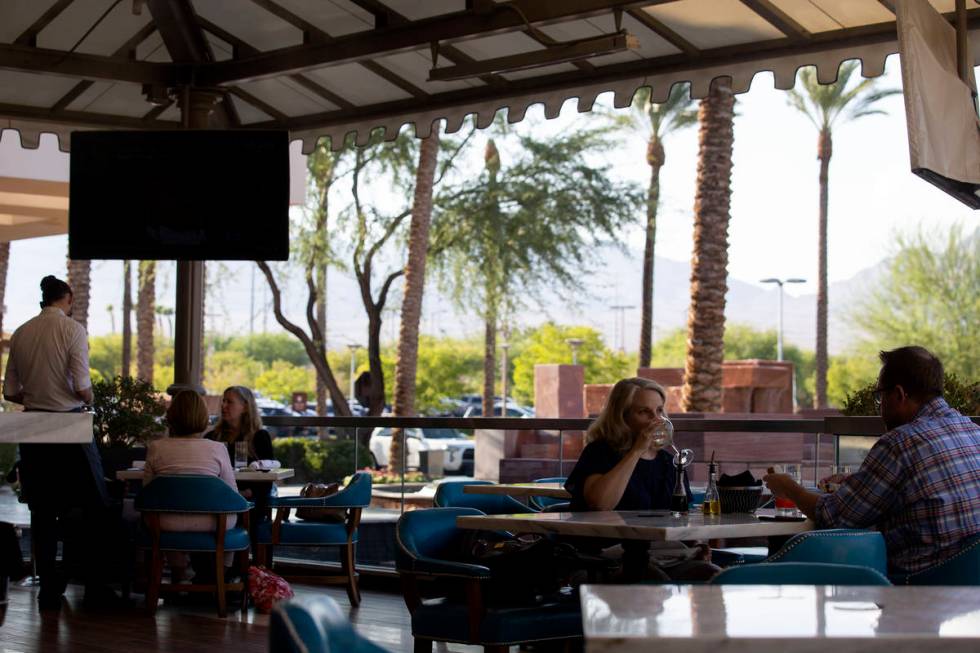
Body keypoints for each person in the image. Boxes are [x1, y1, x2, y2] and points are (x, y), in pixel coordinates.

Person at [764, 346, 980, 576]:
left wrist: (789, 488)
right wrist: (855, 481)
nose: (880, 408)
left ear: (899, 394)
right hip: (969, 592)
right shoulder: (973, 431)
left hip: (915, 587)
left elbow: (834, 517)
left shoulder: (900, 442)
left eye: (880, 397)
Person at [2, 275, 115, 609]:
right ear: (66, 298)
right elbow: (82, 385)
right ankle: (94, 585)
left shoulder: (21, 332)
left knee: (42, 510)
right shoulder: (72, 330)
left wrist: (38, 396)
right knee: (95, 507)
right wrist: (90, 398)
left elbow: (9, 391)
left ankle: (49, 587)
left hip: (35, 425)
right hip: (69, 425)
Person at [564, 377, 719, 582]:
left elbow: (680, 516)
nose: (656, 419)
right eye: (644, 412)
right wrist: (637, 450)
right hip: (606, 554)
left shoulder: (667, 462)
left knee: (714, 575)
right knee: (653, 580)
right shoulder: (601, 451)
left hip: (659, 553)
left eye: (659, 411)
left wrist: (695, 544)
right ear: (622, 416)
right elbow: (600, 503)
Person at [144, 391, 238, 581]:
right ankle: (221, 576)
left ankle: (177, 574)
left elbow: (148, 492)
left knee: (161, 509)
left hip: (165, 522)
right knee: (238, 512)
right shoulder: (218, 449)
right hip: (213, 523)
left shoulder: (157, 447)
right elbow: (232, 495)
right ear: (203, 416)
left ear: (171, 416)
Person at [206, 386, 277, 519]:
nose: (223, 406)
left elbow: (268, 477)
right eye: (223, 401)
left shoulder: (260, 437)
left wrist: (245, 493)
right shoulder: (212, 437)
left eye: (229, 402)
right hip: (217, 498)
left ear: (245, 407)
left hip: (250, 501)